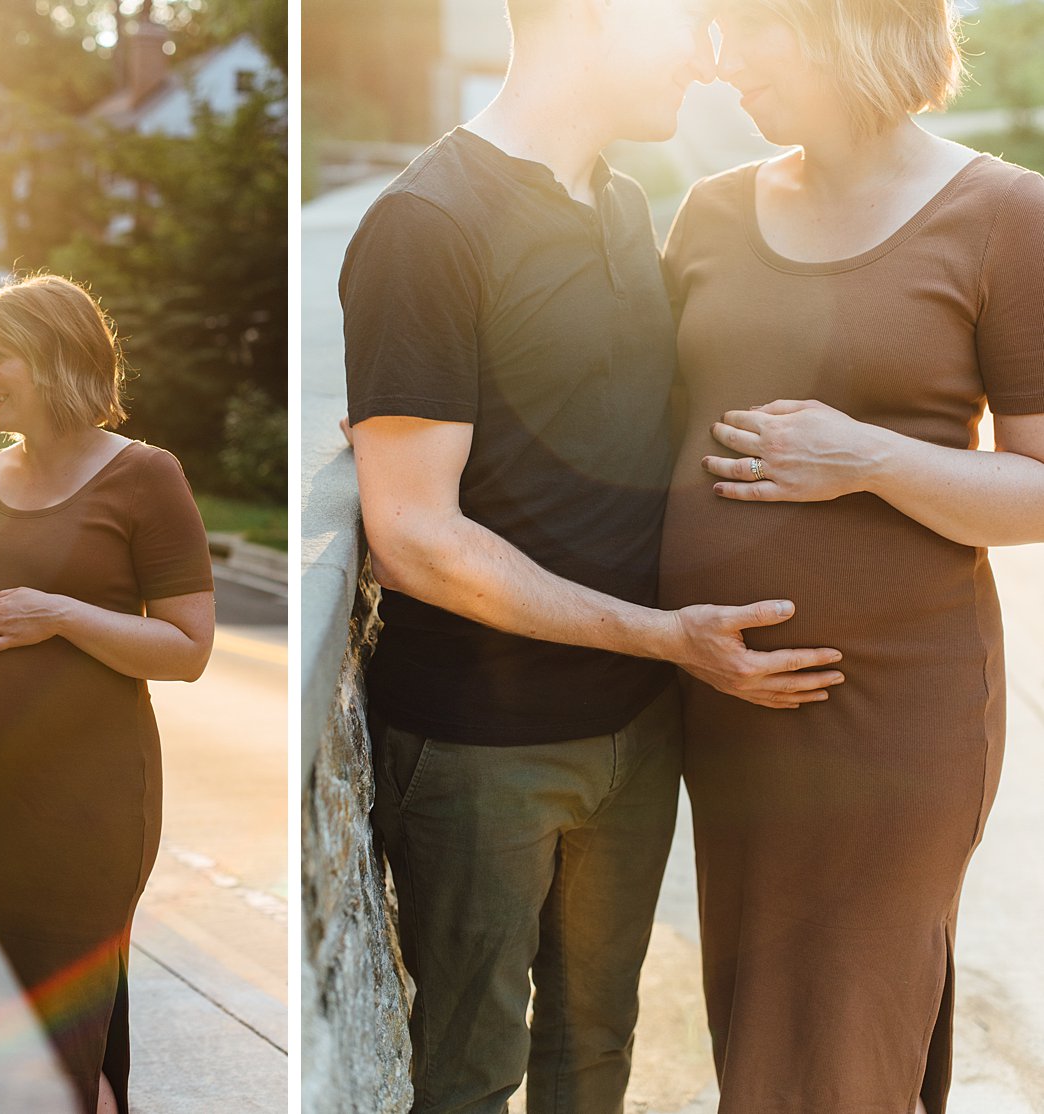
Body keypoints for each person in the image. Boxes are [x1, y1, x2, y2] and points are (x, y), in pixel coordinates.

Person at [341, 1, 849, 1111]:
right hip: (483, 749)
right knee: (470, 1074)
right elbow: (416, 535)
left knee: (596, 1055)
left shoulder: (622, 204)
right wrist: (665, 636)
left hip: (639, 730)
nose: (709, 61)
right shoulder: (427, 225)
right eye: (688, 24)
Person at [658, 2, 1044, 1111]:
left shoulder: (1005, 215)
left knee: (841, 1025)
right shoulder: (711, 210)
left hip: (899, 709)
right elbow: (633, 419)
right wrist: (434, 417)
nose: (725, 68)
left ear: (846, 29)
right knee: (775, 1017)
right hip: (730, 703)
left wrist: (866, 455)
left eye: (754, 33)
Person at [0, 274, 215, 1114]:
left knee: (56, 1039)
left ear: (55, 359)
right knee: (26, 1029)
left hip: (84, 812)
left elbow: (188, 649)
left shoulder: (145, 477)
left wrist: (59, 614)